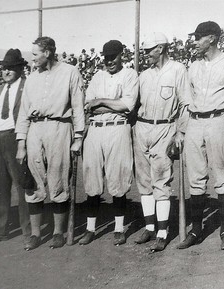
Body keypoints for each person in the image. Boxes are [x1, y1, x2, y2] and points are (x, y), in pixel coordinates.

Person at [177, 21, 224, 250]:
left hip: (220, 121)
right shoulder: (193, 66)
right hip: (195, 122)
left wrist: (221, 111)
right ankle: (196, 229)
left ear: (213, 39)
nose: (195, 42)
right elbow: (188, 99)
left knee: (222, 175)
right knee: (195, 178)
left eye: (199, 37)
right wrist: (183, 128)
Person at [15, 36, 85, 250]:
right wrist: (21, 142)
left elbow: (78, 105)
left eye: (35, 54)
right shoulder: (32, 78)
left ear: (47, 52)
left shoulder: (70, 72)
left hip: (60, 127)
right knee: (33, 183)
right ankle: (36, 234)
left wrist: (79, 136)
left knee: (58, 179)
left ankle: (58, 232)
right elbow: (24, 112)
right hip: (35, 129)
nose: (32, 58)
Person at [133, 32, 190, 252]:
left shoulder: (178, 70)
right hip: (142, 127)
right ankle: (149, 227)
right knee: (144, 182)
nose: (145, 54)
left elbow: (185, 104)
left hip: (165, 128)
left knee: (161, 181)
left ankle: (163, 232)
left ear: (161, 48)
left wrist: (180, 132)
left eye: (149, 50)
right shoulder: (144, 75)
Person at [78, 40, 138, 247]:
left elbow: (128, 105)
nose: (110, 60)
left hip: (118, 128)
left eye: (113, 56)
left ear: (122, 55)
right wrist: (113, 104)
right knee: (92, 179)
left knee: (118, 178)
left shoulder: (130, 74)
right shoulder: (97, 76)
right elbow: (88, 107)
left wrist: (101, 101)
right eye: (106, 56)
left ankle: (119, 229)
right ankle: (90, 229)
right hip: (95, 130)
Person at [0, 49, 32, 248]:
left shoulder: (26, 87)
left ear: (20, 68)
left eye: (11, 68)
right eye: (4, 68)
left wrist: (23, 142)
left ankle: (28, 231)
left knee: (22, 186)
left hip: (14, 137)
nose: (7, 72)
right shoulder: (0, 88)